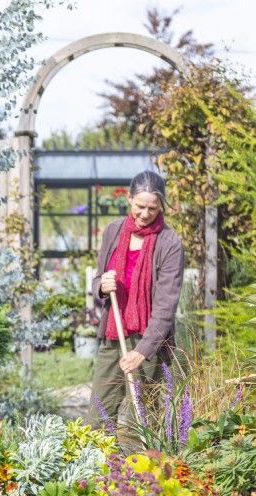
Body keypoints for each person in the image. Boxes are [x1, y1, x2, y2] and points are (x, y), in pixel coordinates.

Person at [86, 170, 184, 434]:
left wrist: (142, 351)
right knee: (98, 417)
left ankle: (137, 474)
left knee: (138, 421)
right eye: (140, 206)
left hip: (148, 343)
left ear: (160, 206)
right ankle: (96, 472)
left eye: (152, 208)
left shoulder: (169, 243)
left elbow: (166, 306)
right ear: (129, 199)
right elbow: (98, 281)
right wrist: (102, 287)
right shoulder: (113, 232)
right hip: (113, 336)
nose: (145, 213)